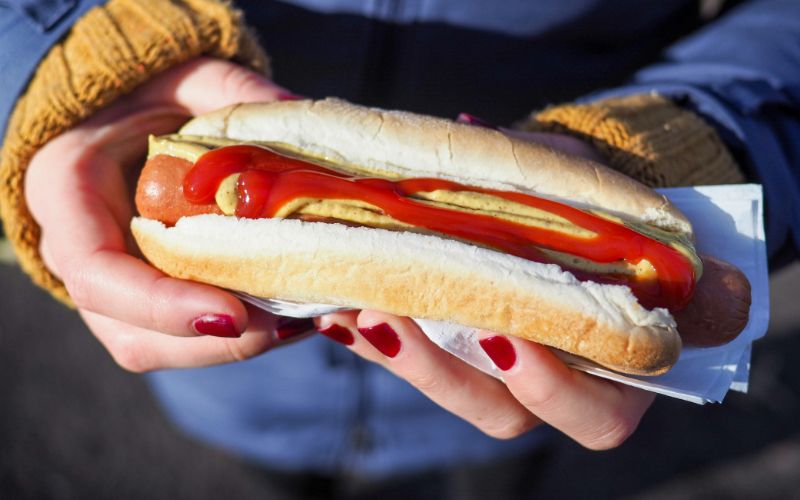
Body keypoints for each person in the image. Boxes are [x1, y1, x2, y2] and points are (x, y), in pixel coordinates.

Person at [1, 0, 798, 497]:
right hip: (241, 383)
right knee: (280, 479)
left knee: (496, 477)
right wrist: (57, 57)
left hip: (525, 392)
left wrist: (701, 139)